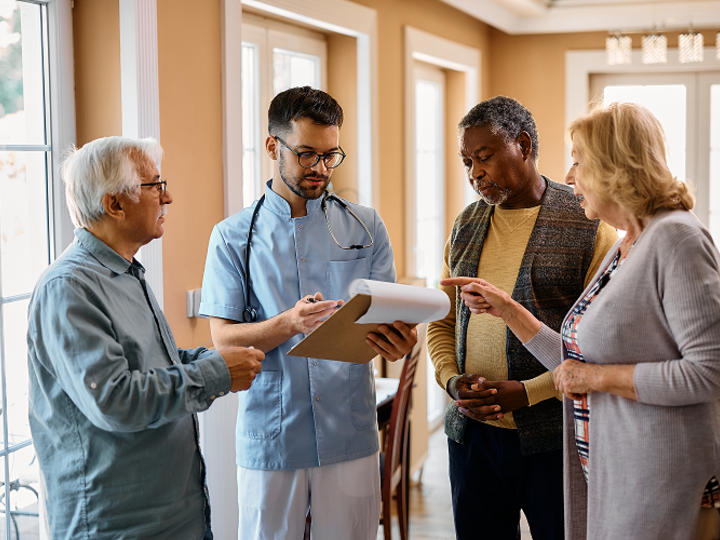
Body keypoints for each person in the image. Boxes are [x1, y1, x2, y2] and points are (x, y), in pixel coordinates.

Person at [450, 101, 720, 540]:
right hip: (619, 467)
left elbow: (709, 373)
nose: (570, 176)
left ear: (617, 167)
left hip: (664, 476)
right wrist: (508, 310)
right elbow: (575, 358)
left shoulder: (678, 238)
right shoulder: (627, 244)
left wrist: (595, 378)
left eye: (579, 161)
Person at [199, 86, 417, 540]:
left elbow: (385, 322)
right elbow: (222, 340)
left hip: (350, 433)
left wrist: (398, 341)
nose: (320, 168)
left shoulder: (366, 227)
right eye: (306, 155)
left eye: (330, 155)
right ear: (272, 147)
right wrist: (288, 324)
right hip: (272, 436)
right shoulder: (232, 237)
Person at [27, 136, 265, 540]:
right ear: (115, 204)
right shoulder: (68, 288)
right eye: (155, 186)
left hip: (174, 515)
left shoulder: (126, 273)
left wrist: (215, 358)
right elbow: (116, 400)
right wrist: (216, 374)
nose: (167, 197)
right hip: (117, 524)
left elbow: (153, 364)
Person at [427, 95, 618, 540]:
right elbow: (443, 320)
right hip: (471, 434)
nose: (475, 172)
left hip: (554, 438)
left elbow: (597, 349)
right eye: (466, 161)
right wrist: (451, 380)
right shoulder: (465, 225)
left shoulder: (590, 224)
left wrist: (528, 394)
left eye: (485, 157)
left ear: (524, 145)